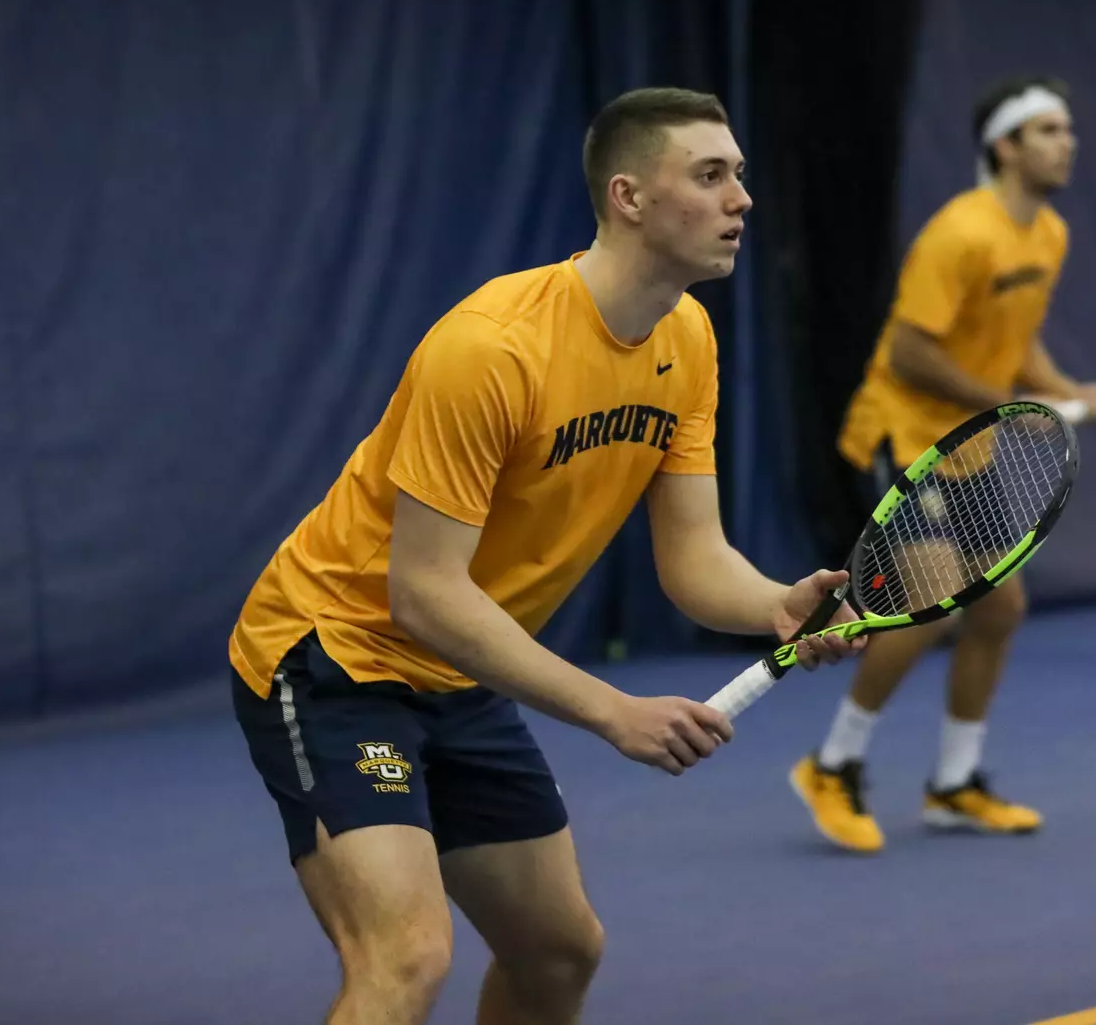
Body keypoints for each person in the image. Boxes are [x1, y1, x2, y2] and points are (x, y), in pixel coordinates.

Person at [229, 87, 862, 1025]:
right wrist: (612, 711)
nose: (743, 198)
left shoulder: (686, 340)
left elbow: (693, 560)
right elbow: (426, 593)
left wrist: (774, 604)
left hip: (459, 670)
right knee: (404, 961)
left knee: (559, 954)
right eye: (711, 174)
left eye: (740, 174)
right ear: (629, 197)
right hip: (333, 658)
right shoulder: (490, 348)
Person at [789, 75, 1096, 855]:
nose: (1066, 142)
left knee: (1000, 610)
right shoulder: (960, 233)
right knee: (933, 603)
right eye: (1047, 130)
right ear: (1004, 147)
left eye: (1067, 129)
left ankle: (954, 784)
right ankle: (831, 764)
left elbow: (1021, 340)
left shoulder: (1048, 234)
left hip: (972, 441)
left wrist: (1071, 394)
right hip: (906, 435)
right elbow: (911, 352)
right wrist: (1019, 409)